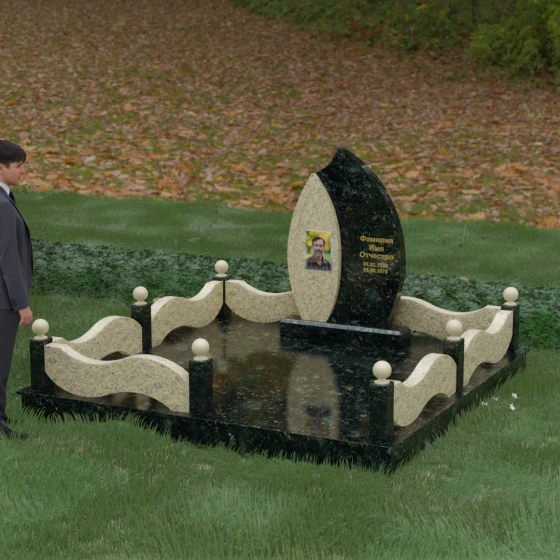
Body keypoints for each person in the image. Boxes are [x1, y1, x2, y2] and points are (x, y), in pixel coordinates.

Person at [0, 139, 33, 439]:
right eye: (18, 166)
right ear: (1, 168)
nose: (23, 171)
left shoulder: (4, 199)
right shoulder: (2, 206)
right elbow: (8, 259)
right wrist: (21, 303)